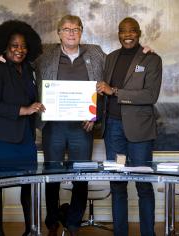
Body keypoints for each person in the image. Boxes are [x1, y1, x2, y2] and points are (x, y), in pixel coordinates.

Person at [35, 15, 105, 236]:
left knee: (81, 176)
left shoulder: (96, 54)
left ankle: (74, 222)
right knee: (52, 175)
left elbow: (113, 75)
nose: (71, 33)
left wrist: (94, 115)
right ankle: (52, 221)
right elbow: (19, 59)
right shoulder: (44, 55)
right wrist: (0, 56)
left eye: (76, 29)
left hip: (82, 127)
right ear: (59, 33)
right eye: (66, 29)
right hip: (53, 126)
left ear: (82, 31)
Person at [0, 20, 44, 236]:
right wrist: (24, 110)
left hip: (23, 139)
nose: (19, 50)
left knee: (28, 183)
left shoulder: (29, 69)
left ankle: (30, 230)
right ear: (4, 45)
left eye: (23, 46)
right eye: (14, 45)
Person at [96, 17, 162, 236]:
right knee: (117, 184)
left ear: (139, 32)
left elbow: (150, 95)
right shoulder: (110, 58)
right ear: (118, 33)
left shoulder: (152, 59)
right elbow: (101, 91)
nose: (128, 35)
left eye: (132, 31)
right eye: (123, 31)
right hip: (113, 129)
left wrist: (114, 91)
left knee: (143, 184)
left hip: (139, 130)